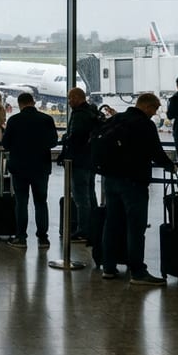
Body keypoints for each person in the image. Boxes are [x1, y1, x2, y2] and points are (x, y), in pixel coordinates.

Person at [102, 93, 175, 285]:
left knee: (112, 224)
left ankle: (108, 267)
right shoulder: (145, 124)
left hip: (110, 180)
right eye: (154, 109)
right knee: (136, 227)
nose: (154, 113)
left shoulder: (116, 119)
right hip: (134, 182)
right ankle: (137, 271)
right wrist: (169, 165)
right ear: (147, 107)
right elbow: (156, 151)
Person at [1, 93, 59, 249]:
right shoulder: (46, 120)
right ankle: (43, 238)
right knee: (41, 202)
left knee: (21, 202)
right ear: (33, 103)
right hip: (41, 167)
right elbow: (53, 142)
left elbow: (5, 144)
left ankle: (21, 237)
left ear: (19, 104)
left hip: (19, 167)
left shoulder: (14, 121)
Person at [59, 87, 100, 243]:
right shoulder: (92, 112)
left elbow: (75, 137)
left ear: (77, 97)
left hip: (78, 161)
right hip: (90, 160)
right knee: (90, 194)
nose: (69, 101)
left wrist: (66, 141)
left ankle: (83, 230)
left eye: (70, 98)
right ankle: (93, 227)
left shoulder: (80, 115)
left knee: (80, 197)